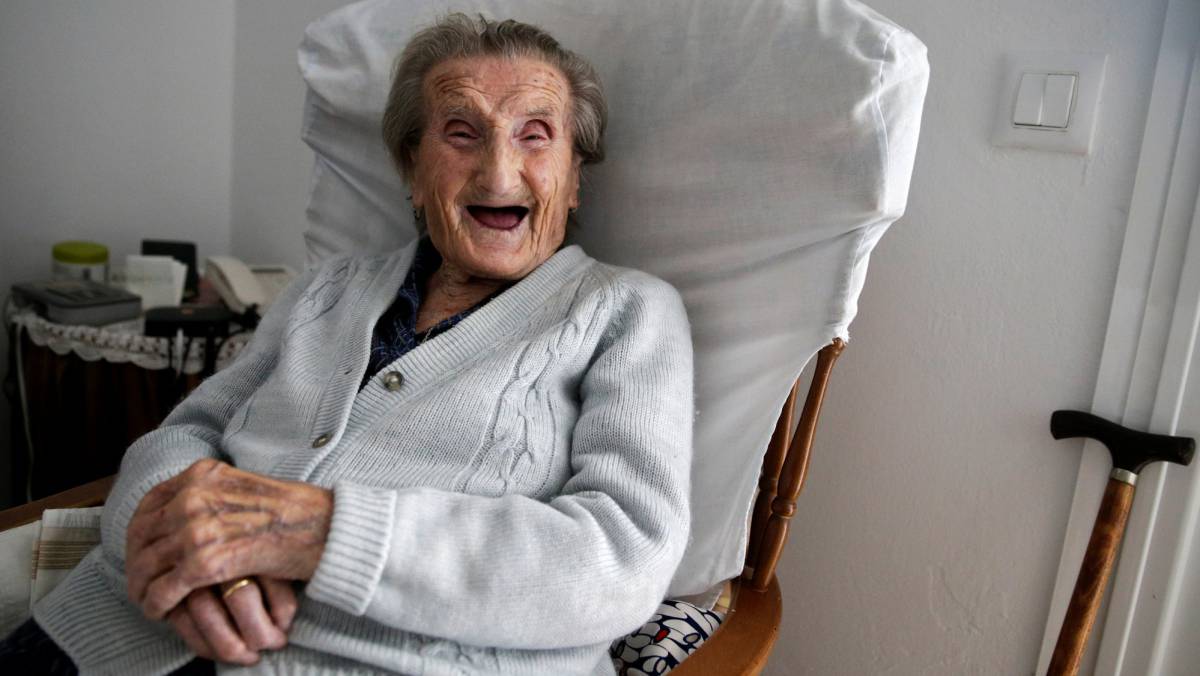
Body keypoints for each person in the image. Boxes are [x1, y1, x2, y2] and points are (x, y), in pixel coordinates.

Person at [0, 13, 693, 676]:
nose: (498, 173)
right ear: (413, 170)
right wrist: (175, 545)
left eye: (535, 135)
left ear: (574, 180)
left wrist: (318, 531)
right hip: (112, 628)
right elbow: (185, 436)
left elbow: (621, 557)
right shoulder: (327, 290)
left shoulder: (626, 312)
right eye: (461, 133)